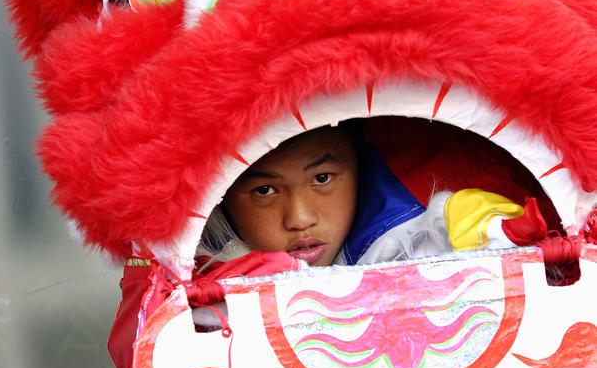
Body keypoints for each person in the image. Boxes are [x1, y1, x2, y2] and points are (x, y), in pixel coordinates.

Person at [195, 122, 546, 273]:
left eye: (322, 178)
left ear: (359, 164)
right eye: (265, 190)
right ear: (221, 198)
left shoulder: (441, 230)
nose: (300, 219)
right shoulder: (192, 290)